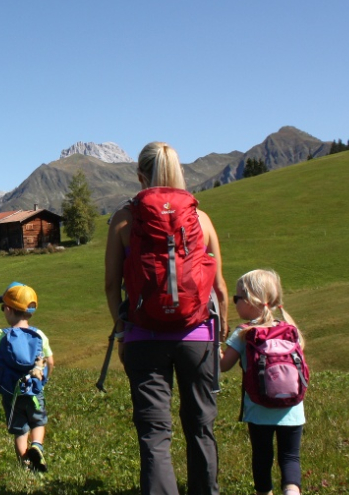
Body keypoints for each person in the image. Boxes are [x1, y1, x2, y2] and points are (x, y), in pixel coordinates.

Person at [104, 141, 229, 495]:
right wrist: (219, 337)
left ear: (140, 175)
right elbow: (219, 286)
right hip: (198, 336)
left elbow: (112, 285)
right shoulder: (200, 219)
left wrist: (122, 332)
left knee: (155, 434)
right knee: (201, 426)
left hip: (144, 337)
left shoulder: (124, 220)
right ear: (179, 172)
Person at [221, 269, 306, 495]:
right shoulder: (290, 329)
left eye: (237, 298)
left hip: (259, 408)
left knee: (262, 456)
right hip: (292, 408)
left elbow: (223, 365)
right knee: (290, 457)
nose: (235, 303)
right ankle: (292, 491)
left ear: (250, 300)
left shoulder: (245, 332)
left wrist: (212, 341)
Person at [0, 282, 55, 472]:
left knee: (20, 431)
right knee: (38, 422)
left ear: (7, 309)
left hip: (12, 394)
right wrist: (43, 381)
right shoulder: (39, 335)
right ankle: (37, 445)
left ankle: (25, 465)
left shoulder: (1, 335)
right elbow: (51, 361)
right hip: (34, 391)